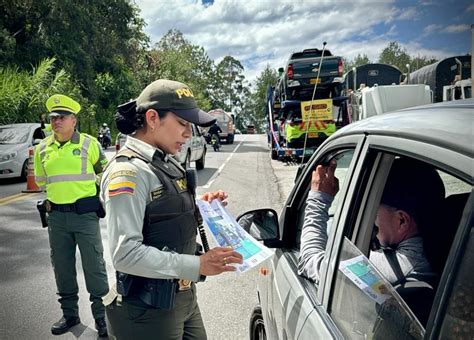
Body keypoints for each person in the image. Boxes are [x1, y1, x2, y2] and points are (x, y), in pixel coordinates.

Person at [100, 79, 243, 340]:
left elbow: (159, 210)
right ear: (153, 118)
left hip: (183, 297)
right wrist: (198, 263)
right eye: (182, 123)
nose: (189, 133)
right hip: (148, 309)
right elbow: (126, 254)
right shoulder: (128, 172)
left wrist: (201, 204)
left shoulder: (163, 160)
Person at [298, 157, 445, 285]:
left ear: (402, 221)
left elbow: (310, 261)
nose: (372, 225)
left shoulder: (398, 268)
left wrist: (319, 199)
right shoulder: (443, 246)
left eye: (374, 214)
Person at [34, 94, 109, 337]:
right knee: (62, 267)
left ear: (74, 120)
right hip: (56, 217)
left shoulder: (90, 145)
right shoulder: (42, 149)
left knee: (94, 267)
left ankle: (102, 319)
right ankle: (70, 314)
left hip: (85, 217)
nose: (56, 121)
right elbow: (41, 181)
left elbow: (104, 172)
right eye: (53, 117)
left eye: (62, 117)